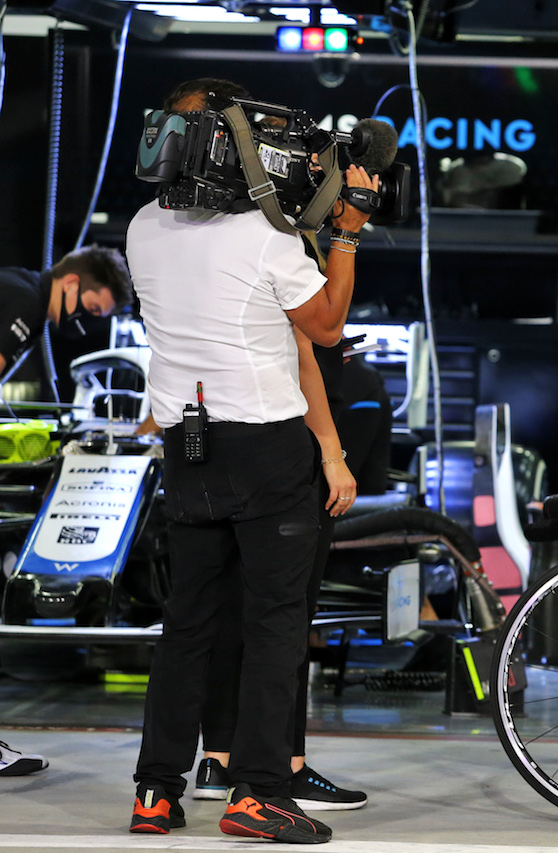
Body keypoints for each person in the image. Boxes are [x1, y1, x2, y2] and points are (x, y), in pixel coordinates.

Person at [125, 77, 377, 844]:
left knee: (189, 622)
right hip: (266, 447)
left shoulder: (141, 226)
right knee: (274, 622)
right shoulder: (263, 238)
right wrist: (350, 228)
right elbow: (327, 327)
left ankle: (155, 791)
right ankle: (258, 791)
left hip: (188, 447)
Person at [0, 246, 133, 378]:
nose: (91, 320)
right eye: (93, 308)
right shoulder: (28, 303)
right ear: (71, 283)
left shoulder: (23, 287)